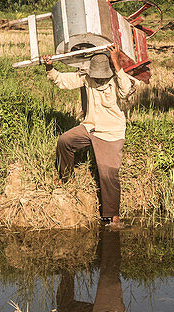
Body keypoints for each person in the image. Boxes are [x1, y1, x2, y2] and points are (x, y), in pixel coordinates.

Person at [41, 44, 138, 227]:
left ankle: (113, 216)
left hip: (110, 133)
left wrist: (116, 62)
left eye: (102, 77)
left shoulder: (117, 80)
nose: (99, 80)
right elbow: (63, 80)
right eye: (96, 76)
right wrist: (49, 67)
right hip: (90, 127)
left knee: (108, 174)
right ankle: (67, 179)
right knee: (65, 141)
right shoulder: (87, 78)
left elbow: (126, 91)